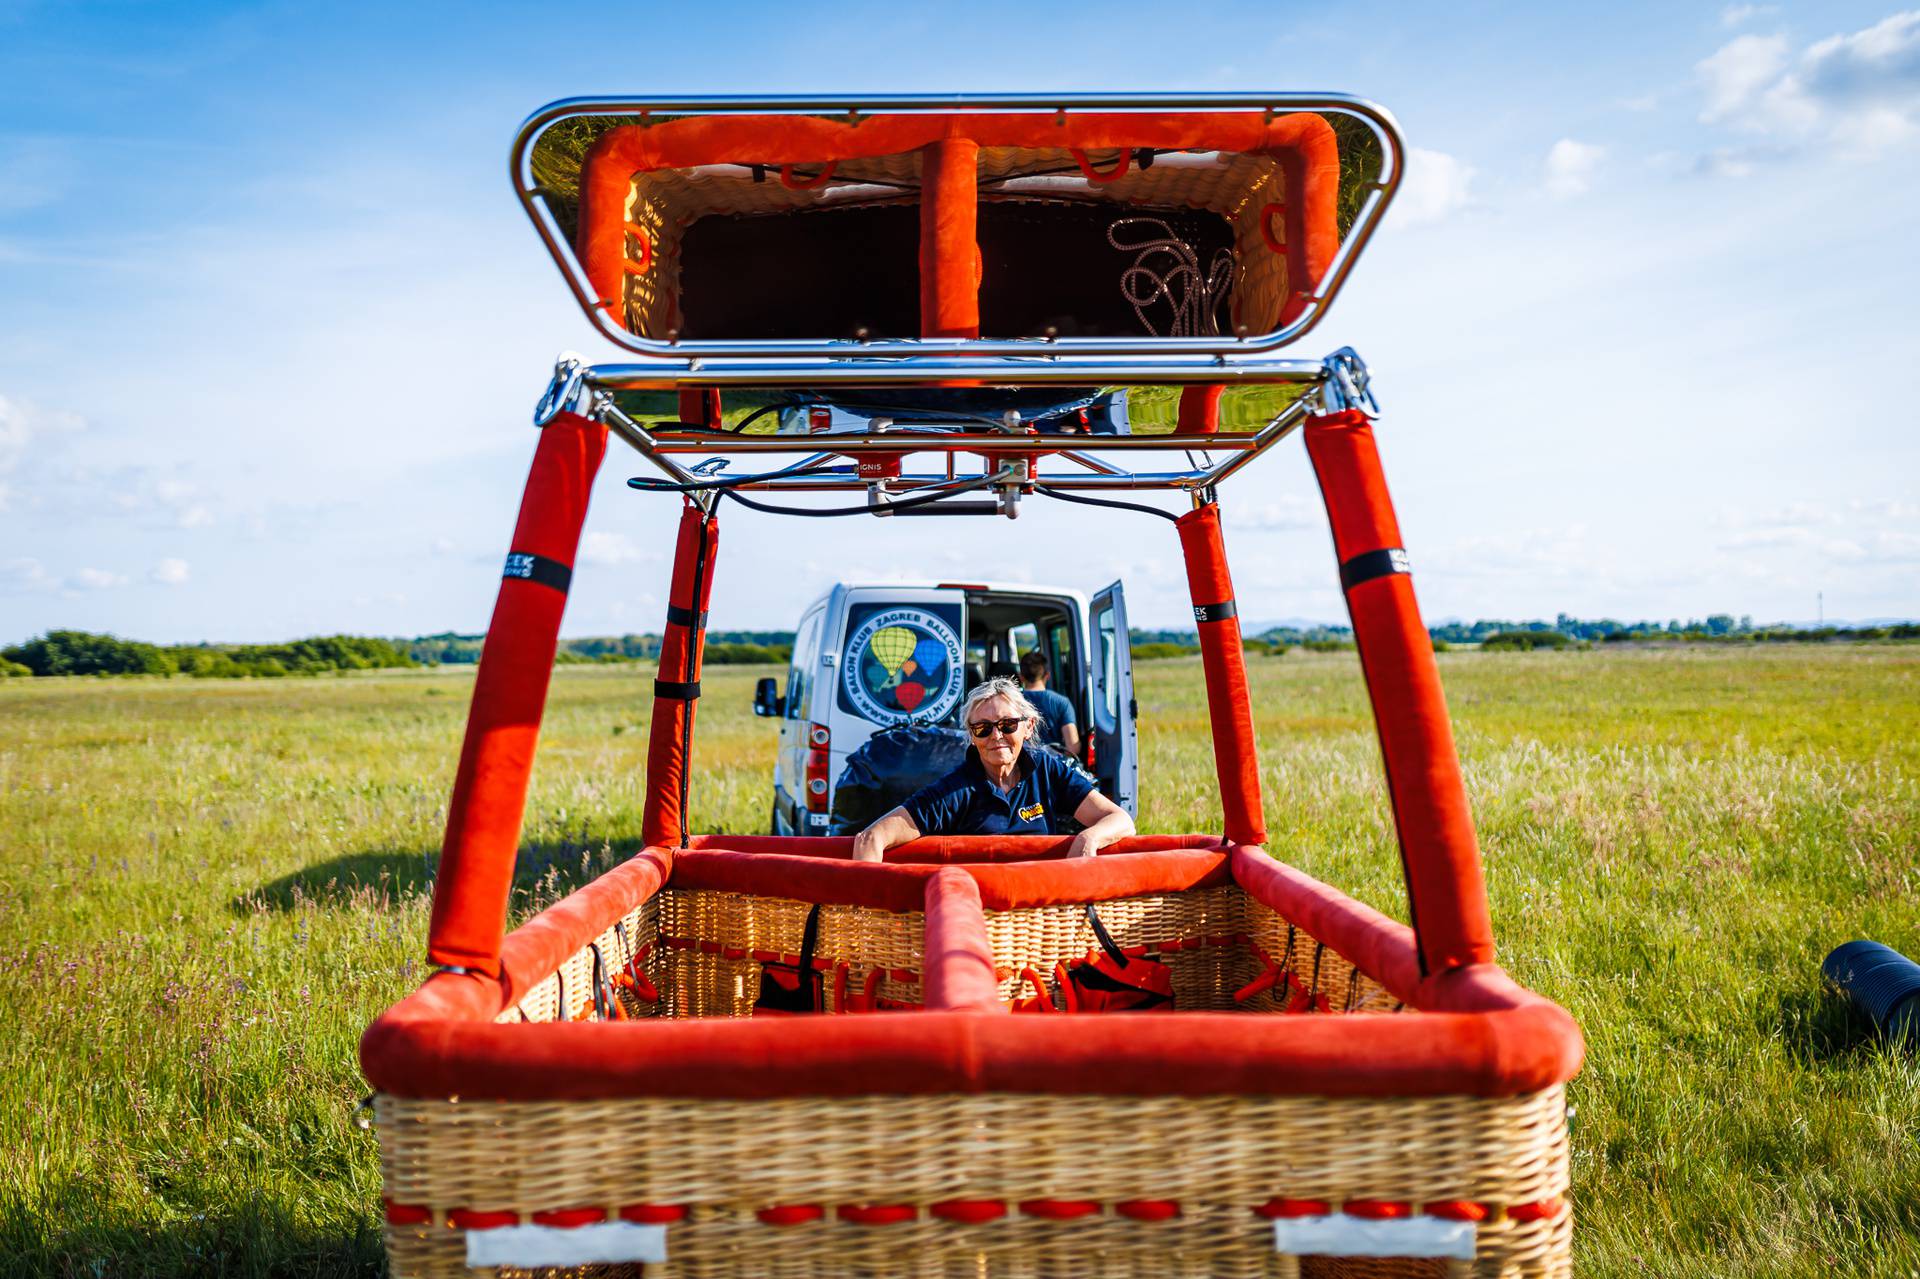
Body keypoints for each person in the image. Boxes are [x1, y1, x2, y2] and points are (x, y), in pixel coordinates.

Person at [851, 677, 1132, 862]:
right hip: (982, 918)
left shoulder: (1046, 770)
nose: (996, 736)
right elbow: (871, 838)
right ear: (971, 736)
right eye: (983, 729)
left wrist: (1087, 838)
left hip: (1039, 913)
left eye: (1007, 725)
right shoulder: (956, 790)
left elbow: (1120, 820)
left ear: (1028, 726)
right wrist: (869, 920)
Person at [1018, 649, 1081, 759]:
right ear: (1047, 675)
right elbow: (1072, 747)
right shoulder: (1062, 702)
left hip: (1020, 766)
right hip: (1052, 767)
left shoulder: (1011, 701)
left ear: (1021, 677)